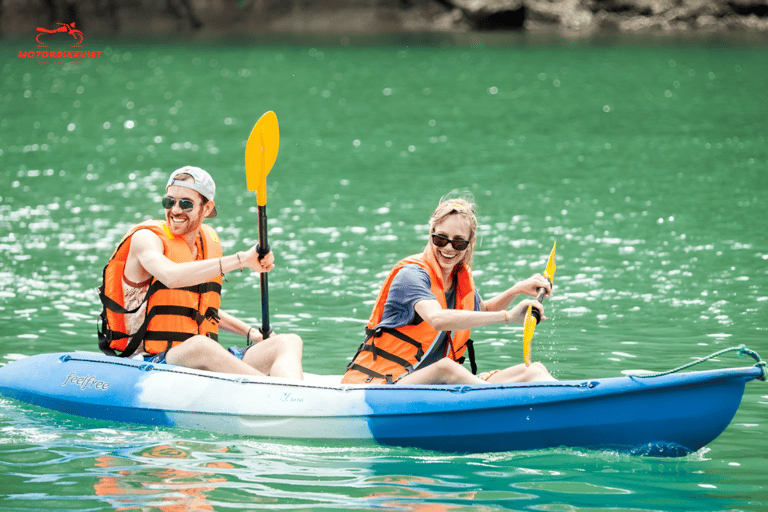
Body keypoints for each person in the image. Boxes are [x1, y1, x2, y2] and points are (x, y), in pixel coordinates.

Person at [98, 165, 303, 379]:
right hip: (150, 362)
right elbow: (171, 276)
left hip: (200, 357)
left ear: (206, 208)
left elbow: (200, 309)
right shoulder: (146, 239)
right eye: (169, 201)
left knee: (288, 341)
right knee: (201, 346)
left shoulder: (206, 244)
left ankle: (295, 398)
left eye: (186, 203)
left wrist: (252, 333)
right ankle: (273, 393)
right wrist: (242, 259)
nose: (175, 210)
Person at [341, 195, 555, 385]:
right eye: (441, 239)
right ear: (430, 233)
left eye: (458, 242)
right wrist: (508, 317)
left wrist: (516, 290)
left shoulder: (459, 279)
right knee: (448, 367)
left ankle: (566, 403)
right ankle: (500, 402)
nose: (448, 248)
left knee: (533, 370)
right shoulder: (411, 276)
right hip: (382, 383)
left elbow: (481, 312)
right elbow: (437, 319)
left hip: (432, 385)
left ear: (470, 243)